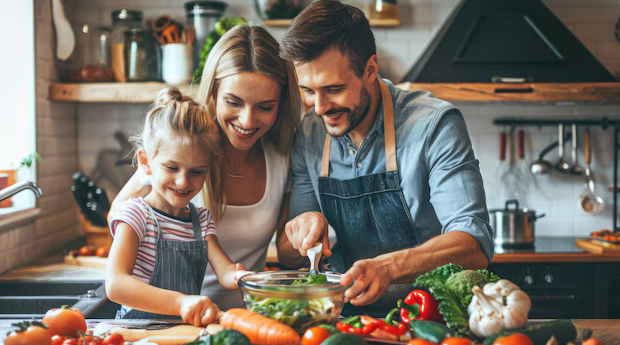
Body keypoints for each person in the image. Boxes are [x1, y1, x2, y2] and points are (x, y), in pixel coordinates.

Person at [276, 0, 494, 314]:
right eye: (308, 91)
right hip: (347, 318)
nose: (320, 108)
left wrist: (388, 268)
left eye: (333, 89)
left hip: (434, 315)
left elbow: (474, 243)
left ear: (370, 69)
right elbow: (288, 257)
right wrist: (301, 229)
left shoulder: (434, 124)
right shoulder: (309, 133)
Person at [109, 25, 302, 310]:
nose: (248, 121)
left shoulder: (283, 159)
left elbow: (281, 256)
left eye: (265, 106)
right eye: (233, 102)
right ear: (212, 91)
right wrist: (181, 304)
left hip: (244, 318)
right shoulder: (180, 148)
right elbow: (120, 219)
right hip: (172, 319)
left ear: (281, 104)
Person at [105, 87, 246, 326]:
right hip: (137, 333)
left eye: (196, 172)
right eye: (172, 168)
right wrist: (181, 303)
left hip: (184, 331)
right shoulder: (136, 215)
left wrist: (243, 276)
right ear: (146, 162)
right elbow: (116, 284)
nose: (183, 181)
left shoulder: (201, 220)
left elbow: (225, 272)